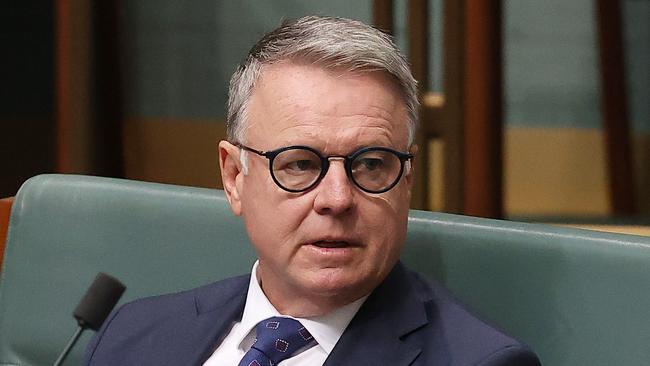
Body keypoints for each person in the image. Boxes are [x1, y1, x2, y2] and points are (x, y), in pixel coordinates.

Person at [83, 15, 541, 366]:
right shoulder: (134, 334)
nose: (337, 199)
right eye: (300, 164)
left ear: (408, 179)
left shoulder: (481, 361)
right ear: (234, 177)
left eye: (371, 164)